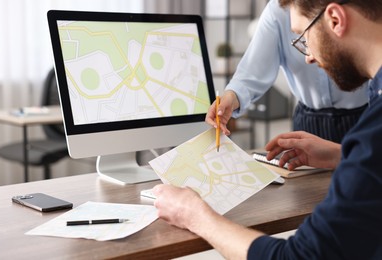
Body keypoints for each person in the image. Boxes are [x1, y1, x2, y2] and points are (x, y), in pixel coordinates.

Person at [153, 0, 382, 259]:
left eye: (303, 37)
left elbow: (300, 256)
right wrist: (341, 155)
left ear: (336, 20)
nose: (307, 57)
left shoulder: (373, 130)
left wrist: (195, 215)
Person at [206, 0, 368, 144]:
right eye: (300, 39)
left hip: (365, 118)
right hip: (308, 124)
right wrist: (231, 96)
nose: (309, 58)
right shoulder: (278, 11)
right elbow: (253, 70)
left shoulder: (361, 9)